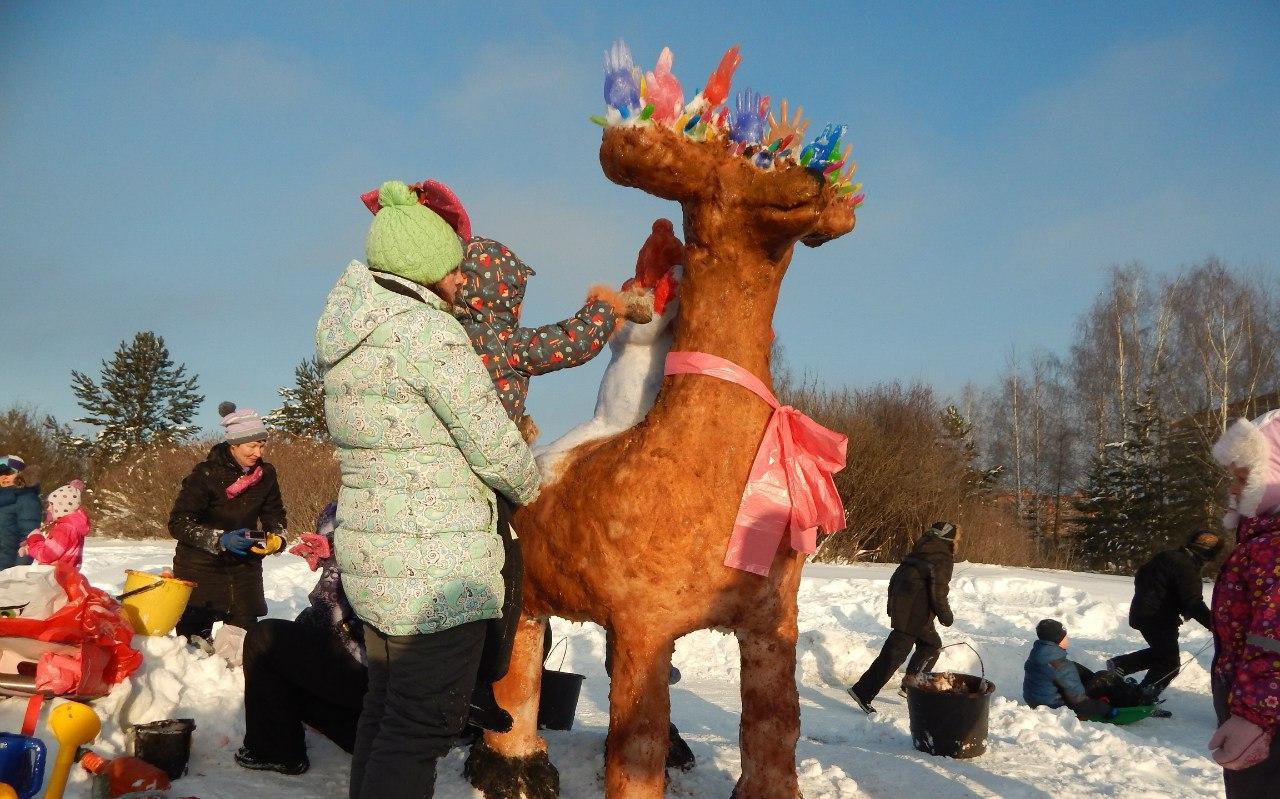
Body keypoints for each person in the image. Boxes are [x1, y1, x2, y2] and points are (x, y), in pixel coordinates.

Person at [361, 180, 649, 731]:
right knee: (507, 582)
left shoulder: (441, 333)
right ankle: (483, 681)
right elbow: (571, 342)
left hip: (432, 479)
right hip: (483, 481)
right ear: (502, 295)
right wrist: (607, 307)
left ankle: (457, 682)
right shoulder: (501, 341)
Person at [318, 180, 541, 799]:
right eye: (452, 267)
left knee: (385, 714)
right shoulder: (428, 335)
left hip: (376, 560)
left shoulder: (352, 335)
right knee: (417, 729)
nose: (461, 280)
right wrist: (529, 477)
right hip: (433, 563)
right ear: (423, 266)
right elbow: (495, 445)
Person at [235, 502, 366, 775]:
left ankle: (275, 751)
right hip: (370, 688)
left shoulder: (376, 516)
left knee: (264, 639)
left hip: (371, 672)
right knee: (295, 638)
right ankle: (354, 731)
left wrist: (336, 549)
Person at [168, 403, 287, 642]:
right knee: (194, 639)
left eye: (262, 445)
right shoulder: (206, 475)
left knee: (243, 638)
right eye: (252, 446)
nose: (258, 453)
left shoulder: (266, 475)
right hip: (201, 566)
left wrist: (277, 537)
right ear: (234, 444)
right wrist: (220, 539)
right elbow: (178, 522)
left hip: (245, 567)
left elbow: (274, 513)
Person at [1207, 408, 1280, 796]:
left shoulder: (1275, 548)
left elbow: (1274, 641)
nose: (1233, 490)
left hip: (1267, 720)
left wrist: (1252, 718)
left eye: (1242, 478)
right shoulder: (1261, 542)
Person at [849, 521, 957, 713]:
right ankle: (863, 692)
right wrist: (946, 615)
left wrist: (893, 606)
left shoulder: (919, 550)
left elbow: (895, 580)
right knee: (894, 655)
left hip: (908, 611)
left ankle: (911, 684)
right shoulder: (942, 557)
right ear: (949, 539)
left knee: (930, 645)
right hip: (915, 614)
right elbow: (938, 591)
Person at [1107, 529, 1223, 698]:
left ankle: (1121, 665)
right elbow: (1193, 602)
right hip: (1158, 618)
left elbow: (1141, 577)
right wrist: (1216, 625)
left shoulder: (1168, 556)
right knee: (1169, 664)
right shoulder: (1187, 567)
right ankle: (1142, 698)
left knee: (1163, 655)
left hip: (1144, 613)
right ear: (1208, 554)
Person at [1023, 619, 1121, 719]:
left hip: (1037, 701)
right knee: (1103, 679)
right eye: (1065, 637)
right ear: (1058, 640)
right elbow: (1079, 702)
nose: (1067, 639)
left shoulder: (1037, 656)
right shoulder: (1061, 666)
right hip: (1056, 708)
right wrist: (1105, 710)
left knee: (1076, 668)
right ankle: (1131, 696)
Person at [21, 479, 89, 568]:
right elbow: (57, 549)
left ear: (61, 506)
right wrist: (29, 549)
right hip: (66, 574)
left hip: (56, 576)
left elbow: (46, 555)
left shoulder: (64, 528)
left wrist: (35, 539)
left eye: (51, 504)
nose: (48, 508)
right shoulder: (73, 525)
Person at [0, 455, 39, 570]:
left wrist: (19, 570)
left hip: (9, 566)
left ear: (20, 475)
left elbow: (28, 539)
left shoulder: (26, 498)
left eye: (9, 472)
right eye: (0, 472)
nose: (4, 476)